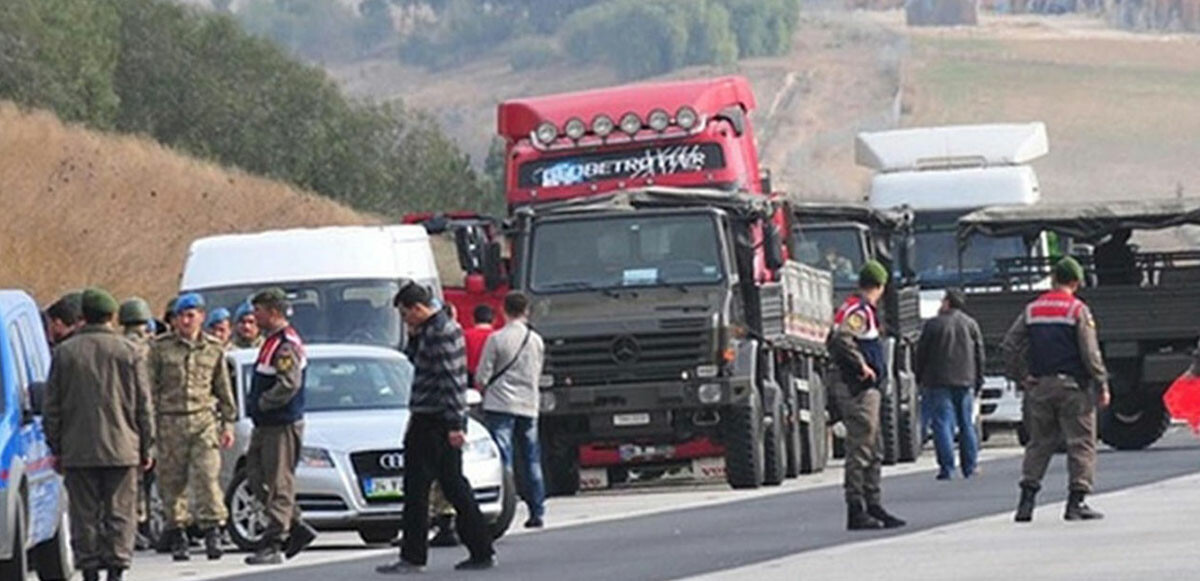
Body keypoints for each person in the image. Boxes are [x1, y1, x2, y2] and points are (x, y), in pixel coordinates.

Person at [377, 282, 496, 574]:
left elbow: (452, 381)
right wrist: (414, 336)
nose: (406, 322)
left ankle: (414, 556)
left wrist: (455, 423)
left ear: (418, 308)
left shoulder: (441, 332)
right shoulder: (432, 330)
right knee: (452, 485)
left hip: (435, 420)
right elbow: (415, 359)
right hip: (431, 418)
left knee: (420, 489)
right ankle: (480, 549)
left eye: (406, 316)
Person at [44, 288, 155, 581]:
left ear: (83, 316)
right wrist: (147, 447)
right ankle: (116, 571)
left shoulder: (64, 353)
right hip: (123, 448)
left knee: (85, 515)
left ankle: (90, 571)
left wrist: (55, 447)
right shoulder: (129, 352)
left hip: (77, 449)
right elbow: (144, 405)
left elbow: (52, 406)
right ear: (111, 316)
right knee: (121, 512)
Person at [1001, 257, 1110, 523]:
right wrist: (1101, 382)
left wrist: (1022, 376)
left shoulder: (1033, 309)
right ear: (1075, 282)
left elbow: (1009, 345)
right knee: (1081, 443)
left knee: (1039, 444)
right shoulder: (1077, 310)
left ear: (1053, 279)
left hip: (1040, 387)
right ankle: (1076, 503)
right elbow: (1089, 352)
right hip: (1073, 388)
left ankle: (1026, 503)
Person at [148, 293, 236, 561]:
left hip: (203, 421)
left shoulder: (213, 348)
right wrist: (149, 428)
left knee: (208, 477)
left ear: (201, 316)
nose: (185, 321)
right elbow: (150, 389)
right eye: (180, 316)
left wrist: (228, 423)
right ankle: (179, 534)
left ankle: (212, 531)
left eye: (191, 315)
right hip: (170, 422)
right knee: (172, 483)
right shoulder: (160, 349)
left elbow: (223, 389)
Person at [827, 260, 906, 531]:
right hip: (858, 389)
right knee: (861, 448)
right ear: (880, 286)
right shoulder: (858, 311)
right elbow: (841, 339)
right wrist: (861, 365)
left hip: (865, 390)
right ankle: (856, 508)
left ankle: (874, 504)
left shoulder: (858, 308)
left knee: (874, 448)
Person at [244, 288, 318, 565]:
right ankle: (296, 525)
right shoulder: (270, 342)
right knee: (255, 476)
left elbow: (289, 384)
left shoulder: (286, 344)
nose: (254, 316)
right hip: (266, 424)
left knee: (278, 482)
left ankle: (274, 540)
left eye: (259, 310)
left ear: (273, 311)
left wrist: (263, 403)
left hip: (281, 424)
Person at [477, 291, 546, 528]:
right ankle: (537, 510)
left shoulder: (496, 339)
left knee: (504, 457)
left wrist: (484, 388)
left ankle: (506, 507)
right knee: (531, 458)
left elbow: (482, 375)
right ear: (526, 311)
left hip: (500, 404)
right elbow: (537, 372)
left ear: (503, 309)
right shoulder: (536, 340)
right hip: (528, 403)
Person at [915, 288, 985, 480]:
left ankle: (947, 468)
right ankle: (969, 466)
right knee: (966, 423)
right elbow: (979, 355)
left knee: (942, 423)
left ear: (947, 302)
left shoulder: (933, 325)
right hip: (965, 380)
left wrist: (919, 377)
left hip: (937, 381)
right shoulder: (971, 324)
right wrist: (978, 380)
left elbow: (921, 354)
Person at [117, 297, 156, 550]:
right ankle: (146, 526)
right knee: (150, 476)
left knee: (133, 482)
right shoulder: (154, 348)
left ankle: (136, 527)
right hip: (152, 416)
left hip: (125, 419)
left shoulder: (118, 347)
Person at [464, 304, 496, 385]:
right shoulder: (497, 336)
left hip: (469, 378)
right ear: (494, 320)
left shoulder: (466, 335)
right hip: (492, 378)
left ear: (473, 319)